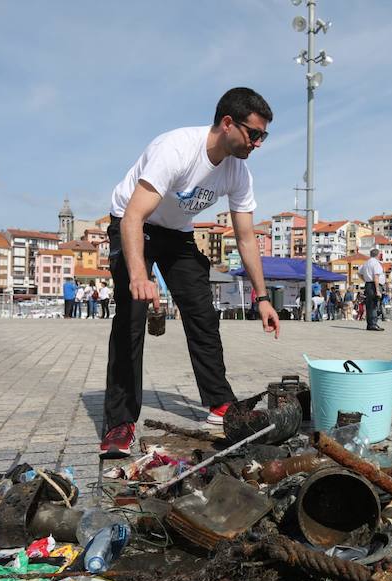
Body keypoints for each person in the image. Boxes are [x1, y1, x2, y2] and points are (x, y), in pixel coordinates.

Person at [100, 87, 280, 458]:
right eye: (255, 134)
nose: (259, 143)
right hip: (134, 223)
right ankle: (119, 421)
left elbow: (246, 239)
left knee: (201, 311)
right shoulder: (177, 149)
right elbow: (133, 216)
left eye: (264, 136)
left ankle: (220, 404)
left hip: (176, 233)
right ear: (228, 123)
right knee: (131, 317)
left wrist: (262, 298)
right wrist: (138, 275)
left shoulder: (238, 172)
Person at [358, 249, 385, 331]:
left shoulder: (366, 263)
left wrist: (366, 280)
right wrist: (377, 290)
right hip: (374, 285)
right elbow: (376, 276)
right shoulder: (376, 263)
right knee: (374, 305)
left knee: (369, 305)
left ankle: (369, 324)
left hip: (368, 285)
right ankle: (373, 324)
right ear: (378, 255)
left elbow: (359, 273)